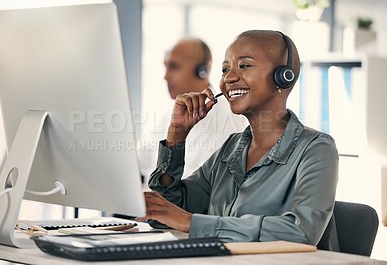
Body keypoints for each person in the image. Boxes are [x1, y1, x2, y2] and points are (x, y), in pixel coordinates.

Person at [136, 30, 339, 251]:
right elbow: (169, 211)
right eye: (225, 69)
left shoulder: (317, 149)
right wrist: (176, 136)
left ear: (283, 76)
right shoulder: (231, 149)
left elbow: (301, 232)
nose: (228, 78)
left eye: (244, 66)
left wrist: (191, 222)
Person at [138, 37, 247, 180]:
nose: (166, 76)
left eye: (174, 66)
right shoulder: (168, 115)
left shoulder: (229, 119)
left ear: (202, 71)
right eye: (166, 67)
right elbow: (140, 163)